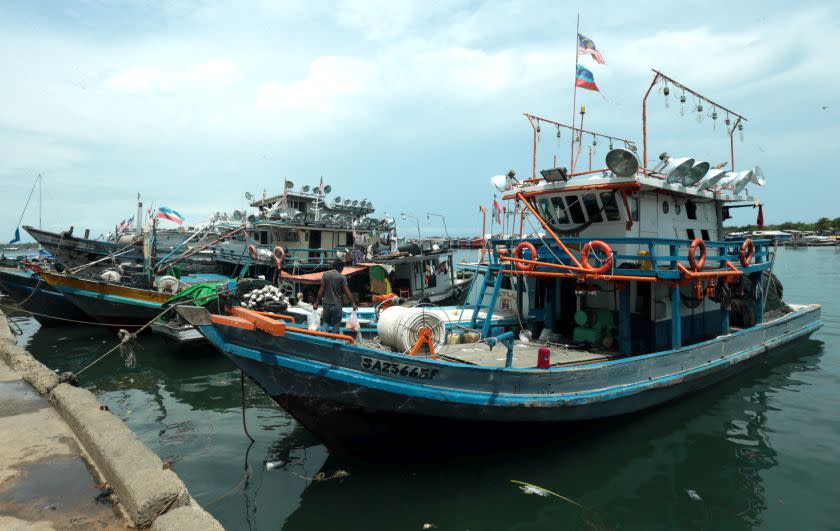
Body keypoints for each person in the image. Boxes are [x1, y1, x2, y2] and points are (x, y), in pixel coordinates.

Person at [313, 259, 357, 334]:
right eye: (342, 268)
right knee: (337, 323)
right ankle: (332, 339)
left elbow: (321, 290)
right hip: (336, 304)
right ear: (340, 267)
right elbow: (347, 291)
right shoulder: (342, 277)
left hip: (326, 303)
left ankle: (324, 338)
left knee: (325, 322)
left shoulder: (325, 274)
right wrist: (353, 303)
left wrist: (316, 302)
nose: (342, 270)